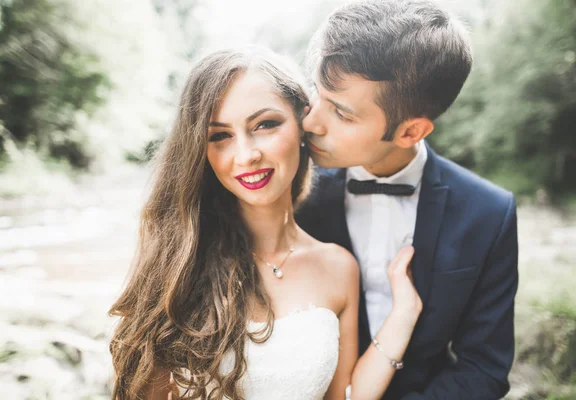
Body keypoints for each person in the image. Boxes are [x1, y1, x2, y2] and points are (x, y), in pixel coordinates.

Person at [109, 47, 423, 400]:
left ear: (303, 124)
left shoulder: (338, 267)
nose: (246, 155)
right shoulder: (178, 260)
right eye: (220, 136)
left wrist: (403, 317)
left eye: (265, 124)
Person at [296, 0, 519, 399]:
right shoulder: (293, 190)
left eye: (342, 114)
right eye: (318, 92)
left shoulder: (488, 214)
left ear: (410, 132)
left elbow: (483, 368)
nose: (311, 122)